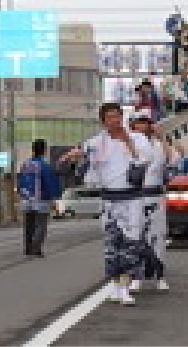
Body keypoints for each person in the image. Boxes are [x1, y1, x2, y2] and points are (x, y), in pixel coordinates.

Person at [62, 103, 151, 306]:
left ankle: (126, 286)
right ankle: (115, 286)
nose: (115, 120)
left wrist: (127, 141)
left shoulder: (138, 138)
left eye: (117, 116)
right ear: (103, 121)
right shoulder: (95, 143)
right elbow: (82, 155)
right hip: (109, 199)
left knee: (131, 243)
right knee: (112, 245)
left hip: (132, 198)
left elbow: (145, 160)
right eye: (110, 117)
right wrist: (73, 157)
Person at [128, 109, 172, 292]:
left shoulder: (159, 145)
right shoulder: (129, 144)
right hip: (136, 197)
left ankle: (160, 276)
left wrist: (162, 138)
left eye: (145, 122)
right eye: (138, 122)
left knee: (158, 237)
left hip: (156, 196)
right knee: (136, 237)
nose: (142, 126)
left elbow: (174, 159)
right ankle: (136, 276)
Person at [18, 139, 61, 257]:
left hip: (26, 199)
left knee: (28, 225)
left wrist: (21, 194)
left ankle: (27, 248)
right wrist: (55, 196)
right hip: (41, 200)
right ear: (44, 150)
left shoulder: (25, 165)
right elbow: (50, 183)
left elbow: (20, 181)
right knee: (41, 225)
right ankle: (36, 248)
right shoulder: (45, 166)